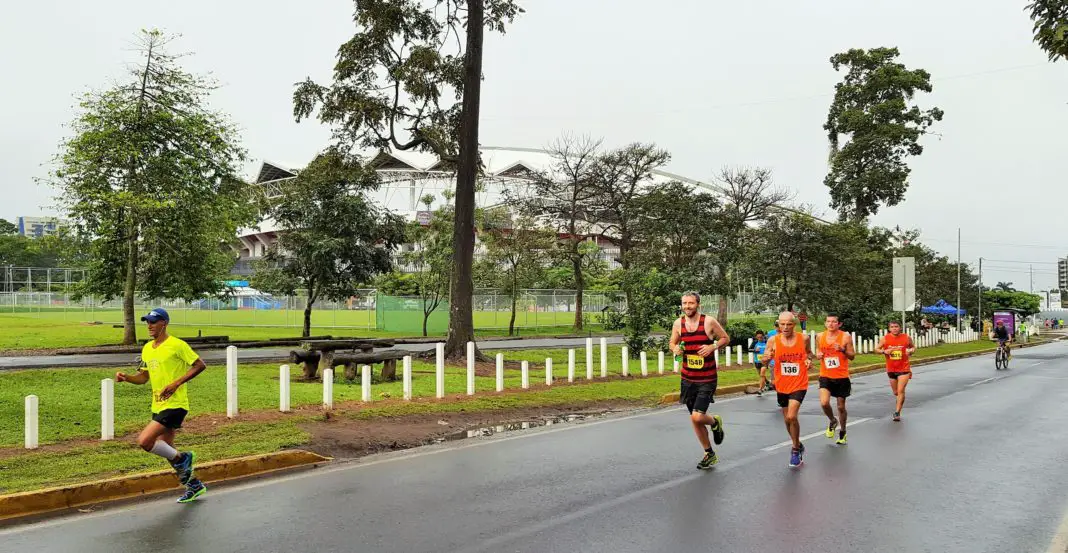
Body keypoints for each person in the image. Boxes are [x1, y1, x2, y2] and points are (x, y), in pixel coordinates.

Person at [115, 308, 208, 503]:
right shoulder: (147, 348)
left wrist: (176, 383)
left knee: (145, 442)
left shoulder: (177, 345)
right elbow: (144, 378)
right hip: (158, 405)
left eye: (153, 322)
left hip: (175, 404)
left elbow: (200, 365)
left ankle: (185, 459)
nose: (149, 325)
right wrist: (127, 378)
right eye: (147, 322)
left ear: (164, 323)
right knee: (168, 449)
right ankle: (194, 485)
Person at [669, 291, 731, 470]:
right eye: (684, 303)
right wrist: (675, 349)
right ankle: (709, 454)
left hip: (707, 377)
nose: (687, 306)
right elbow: (672, 343)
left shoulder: (709, 321)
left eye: (691, 303)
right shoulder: (678, 323)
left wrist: (712, 346)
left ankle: (714, 422)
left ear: (698, 304)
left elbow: (725, 338)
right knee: (694, 419)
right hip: (688, 378)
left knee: (698, 416)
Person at [761, 311, 812, 468]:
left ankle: (795, 450)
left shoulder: (803, 338)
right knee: (786, 420)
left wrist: (809, 361)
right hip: (782, 384)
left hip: (799, 383)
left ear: (794, 325)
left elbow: (809, 354)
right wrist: (767, 357)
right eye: (782, 324)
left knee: (791, 416)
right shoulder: (772, 341)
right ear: (778, 324)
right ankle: (797, 443)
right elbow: (764, 360)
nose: (785, 327)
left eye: (788, 324)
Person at [816, 315, 856, 445]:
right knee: (824, 403)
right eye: (828, 321)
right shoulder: (820, 336)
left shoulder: (845, 337)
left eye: (834, 322)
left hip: (841, 377)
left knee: (840, 406)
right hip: (825, 375)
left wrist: (843, 350)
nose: (831, 324)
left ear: (839, 324)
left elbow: (852, 356)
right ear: (825, 323)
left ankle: (843, 431)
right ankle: (833, 420)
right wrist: (818, 354)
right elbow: (818, 350)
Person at [876, 321, 916, 422]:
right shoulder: (885, 339)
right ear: (889, 329)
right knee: (895, 392)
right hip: (891, 369)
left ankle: (897, 412)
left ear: (900, 328)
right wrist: (884, 351)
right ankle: (899, 400)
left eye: (896, 326)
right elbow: (876, 349)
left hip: (904, 368)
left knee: (900, 391)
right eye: (892, 327)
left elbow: (913, 347)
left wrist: (911, 351)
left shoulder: (906, 337)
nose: (894, 328)